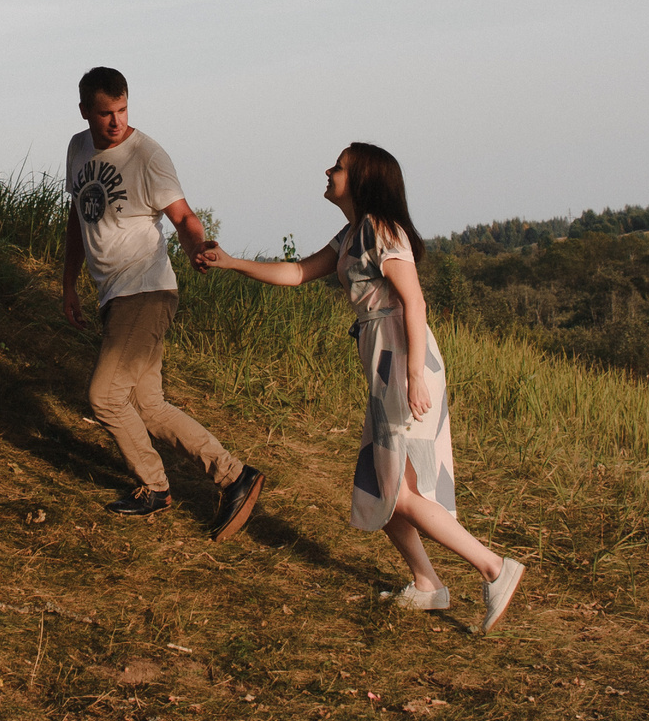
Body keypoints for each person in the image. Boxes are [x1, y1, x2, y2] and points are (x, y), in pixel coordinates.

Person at [199, 142, 526, 632]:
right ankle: (426, 584)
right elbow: (297, 272)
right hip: (383, 362)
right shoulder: (352, 233)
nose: (328, 171)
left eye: (339, 166)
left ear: (364, 178)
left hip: (403, 360)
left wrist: (414, 376)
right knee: (381, 482)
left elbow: (414, 303)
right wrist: (231, 262)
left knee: (404, 492)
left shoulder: (380, 229)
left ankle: (495, 569)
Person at [62, 66, 266, 538]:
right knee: (147, 406)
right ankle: (233, 475)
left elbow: (183, 216)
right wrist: (68, 284)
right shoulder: (77, 148)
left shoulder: (148, 155)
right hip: (112, 294)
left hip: (146, 290)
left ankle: (159, 485)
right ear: (84, 112)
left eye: (122, 110)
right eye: (104, 113)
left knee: (104, 397)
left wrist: (198, 248)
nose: (115, 122)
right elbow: (78, 217)